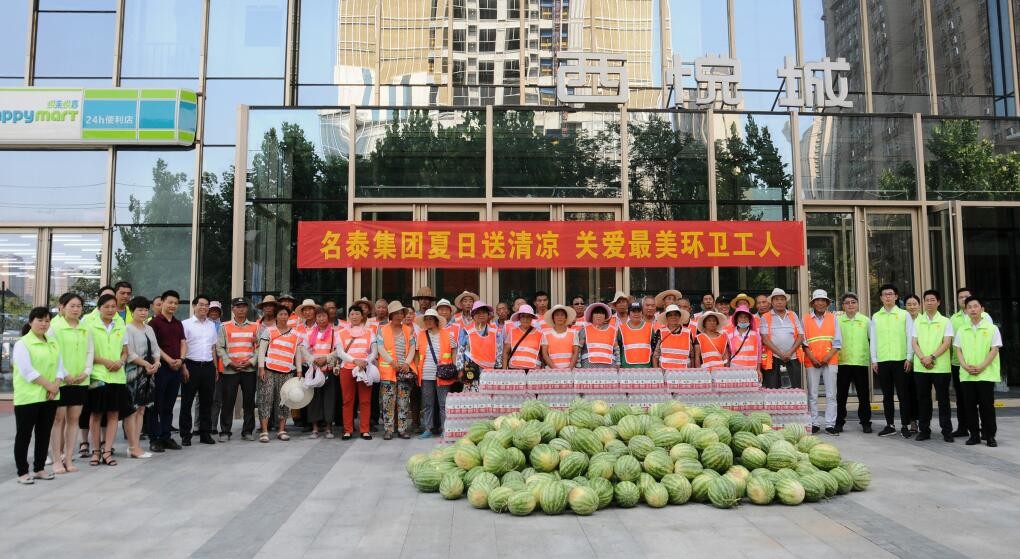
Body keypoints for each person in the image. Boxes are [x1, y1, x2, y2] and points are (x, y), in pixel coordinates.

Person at [12, 307, 62, 484]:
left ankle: (39, 468)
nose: (44, 324)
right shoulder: (22, 344)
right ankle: (22, 472)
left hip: (49, 397)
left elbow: (60, 367)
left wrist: (56, 384)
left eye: (47, 320)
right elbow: (27, 371)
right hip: (29, 397)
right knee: (24, 435)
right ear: (30, 322)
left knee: (44, 434)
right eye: (40, 320)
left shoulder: (53, 342)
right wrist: (50, 386)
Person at [86, 294, 132, 467]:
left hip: (117, 376)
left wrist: (121, 361)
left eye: (113, 306)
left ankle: (107, 450)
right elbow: (87, 352)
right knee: (96, 414)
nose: (111, 310)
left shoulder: (120, 325)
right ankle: (95, 451)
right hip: (98, 376)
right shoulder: (89, 325)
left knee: (114, 414)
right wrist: (104, 361)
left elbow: (125, 350)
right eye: (107, 307)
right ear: (99, 308)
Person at [48, 293, 92, 474]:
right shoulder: (54, 328)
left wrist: (86, 372)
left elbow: (90, 351)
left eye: (79, 306)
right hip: (60, 381)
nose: (75, 309)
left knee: (74, 420)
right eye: (72, 306)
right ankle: (56, 459)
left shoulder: (85, 328)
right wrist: (64, 374)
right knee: (58, 420)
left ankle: (68, 457)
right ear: (62, 307)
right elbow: (53, 353)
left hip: (80, 380)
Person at [954, 296, 1001, 447]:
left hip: (985, 374)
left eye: (976, 306)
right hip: (967, 374)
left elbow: (994, 349)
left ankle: (989, 435)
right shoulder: (962, 329)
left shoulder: (992, 328)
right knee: (969, 406)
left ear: (982, 309)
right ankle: (974, 435)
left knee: (987, 406)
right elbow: (958, 350)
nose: (973, 309)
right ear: (966, 311)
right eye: (969, 307)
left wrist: (981, 366)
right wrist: (965, 366)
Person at [870, 284, 914, 438]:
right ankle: (890, 425)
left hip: (901, 360)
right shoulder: (876, 316)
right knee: (886, 395)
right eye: (884, 294)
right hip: (882, 360)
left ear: (896, 297)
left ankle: (905, 425)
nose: (888, 297)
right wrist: (874, 359)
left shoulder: (904, 315)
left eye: (890, 294)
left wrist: (909, 357)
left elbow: (910, 336)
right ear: (881, 298)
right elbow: (873, 339)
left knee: (903, 395)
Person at [911, 289, 955, 442]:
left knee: (943, 400)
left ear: (939, 302)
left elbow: (947, 342)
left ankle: (947, 431)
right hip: (921, 366)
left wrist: (932, 357)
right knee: (923, 400)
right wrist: (923, 358)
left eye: (932, 300)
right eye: (927, 300)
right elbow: (914, 342)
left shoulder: (945, 321)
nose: (929, 303)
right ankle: (924, 430)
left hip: (940, 367)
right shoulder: (918, 321)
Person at [948, 287, 989, 438]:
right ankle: (963, 427)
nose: (964, 299)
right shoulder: (953, 319)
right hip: (959, 365)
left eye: (967, 296)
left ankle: (985, 430)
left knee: (983, 400)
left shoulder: (985, 317)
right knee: (962, 399)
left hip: (981, 366)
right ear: (958, 301)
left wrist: (982, 364)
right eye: (960, 297)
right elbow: (952, 342)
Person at [257, 307, 303, 442]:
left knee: (284, 400)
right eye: (280, 314)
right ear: (276, 316)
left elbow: (297, 352)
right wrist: (261, 367)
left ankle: (281, 430)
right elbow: (262, 350)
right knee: (266, 399)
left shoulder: (295, 333)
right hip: (269, 370)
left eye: (285, 314)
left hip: (287, 371)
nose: (283, 316)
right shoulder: (269, 331)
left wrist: (299, 369)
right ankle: (264, 431)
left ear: (288, 317)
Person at [148, 290, 186, 452]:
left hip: (176, 369)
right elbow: (154, 346)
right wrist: (169, 360)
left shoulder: (178, 323)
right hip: (161, 368)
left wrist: (181, 360)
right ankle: (154, 438)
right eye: (170, 302)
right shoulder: (154, 324)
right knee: (155, 405)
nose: (173, 306)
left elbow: (183, 342)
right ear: (162, 302)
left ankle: (166, 436)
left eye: (175, 303)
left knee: (169, 404)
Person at [123, 296, 160, 459]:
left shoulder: (149, 329)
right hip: (133, 374)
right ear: (132, 312)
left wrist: (157, 363)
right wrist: (145, 364)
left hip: (149, 373)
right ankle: (132, 446)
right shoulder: (127, 329)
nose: (143, 312)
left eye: (146, 309)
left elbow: (156, 349)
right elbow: (129, 353)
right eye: (139, 310)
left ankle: (136, 445)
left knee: (142, 409)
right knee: (132, 410)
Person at [218, 298, 258, 442]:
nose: (241, 309)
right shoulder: (225, 326)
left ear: (247, 309)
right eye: (238, 307)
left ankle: (247, 431)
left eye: (243, 307)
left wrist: (251, 362)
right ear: (232, 309)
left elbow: (260, 347)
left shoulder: (255, 327)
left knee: (249, 402)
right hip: (231, 370)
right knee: (228, 401)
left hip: (249, 370)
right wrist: (230, 362)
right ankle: (225, 431)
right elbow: (220, 347)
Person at [376, 301, 417, 440]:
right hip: (388, 371)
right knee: (388, 401)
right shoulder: (382, 329)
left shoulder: (408, 329)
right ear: (391, 315)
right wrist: (391, 362)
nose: (400, 315)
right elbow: (380, 348)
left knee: (404, 401)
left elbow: (412, 347)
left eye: (401, 313)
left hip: (404, 371)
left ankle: (402, 429)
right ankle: (388, 429)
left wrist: (406, 363)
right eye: (397, 313)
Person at [180, 295, 217, 446]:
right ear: (194, 306)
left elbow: (213, 347)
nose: (204, 308)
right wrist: (183, 367)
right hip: (190, 366)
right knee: (187, 402)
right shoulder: (185, 324)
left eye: (206, 305)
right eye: (201, 304)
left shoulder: (211, 325)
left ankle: (205, 433)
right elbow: (182, 347)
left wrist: (215, 368)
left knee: (207, 402)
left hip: (208, 366)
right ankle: (186, 435)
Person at [803, 290, 841, 435]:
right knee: (812, 394)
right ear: (813, 303)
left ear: (827, 303)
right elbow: (804, 342)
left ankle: (830, 424)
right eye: (817, 300)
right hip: (811, 361)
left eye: (823, 300)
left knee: (831, 394)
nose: (820, 303)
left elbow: (837, 342)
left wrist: (826, 358)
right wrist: (813, 358)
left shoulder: (833, 318)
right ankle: (814, 423)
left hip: (830, 361)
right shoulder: (805, 319)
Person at [336, 304, 377, 440]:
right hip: (347, 369)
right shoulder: (341, 332)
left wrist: (366, 361)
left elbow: (374, 351)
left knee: (365, 400)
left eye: (357, 314)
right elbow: (340, 352)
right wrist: (355, 361)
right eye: (352, 314)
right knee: (348, 401)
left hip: (365, 369)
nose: (354, 316)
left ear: (362, 316)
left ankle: (365, 430)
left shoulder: (370, 332)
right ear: (349, 316)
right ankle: (348, 429)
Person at [415, 309, 457, 439]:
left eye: (431, 319)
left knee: (443, 403)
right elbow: (417, 355)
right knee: (427, 403)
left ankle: (446, 429)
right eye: (426, 319)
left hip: (443, 374)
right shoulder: (421, 335)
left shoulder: (447, 334)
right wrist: (417, 371)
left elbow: (454, 350)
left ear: (436, 321)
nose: (428, 321)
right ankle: (428, 428)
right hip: (426, 374)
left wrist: (453, 366)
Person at [835, 293, 872, 434]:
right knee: (841, 395)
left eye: (853, 302)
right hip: (842, 362)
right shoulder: (837, 321)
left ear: (857, 304)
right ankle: (839, 422)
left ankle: (866, 422)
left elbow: (872, 340)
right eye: (847, 303)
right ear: (843, 306)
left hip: (860, 362)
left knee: (863, 395)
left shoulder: (865, 321)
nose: (850, 305)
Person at [760, 288, 805, 389]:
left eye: (782, 299)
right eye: (776, 299)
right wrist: (780, 354)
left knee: (794, 388)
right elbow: (765, 339)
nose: (779, 302)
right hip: (773, 357)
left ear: (786, 301)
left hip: (792, 357)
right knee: (773, 389)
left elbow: (801, 336)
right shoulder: (766, 317)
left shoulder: (793, 315)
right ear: (771, 302)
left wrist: (789, 352)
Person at [305, 306, 338, 439]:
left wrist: (326, 359)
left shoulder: (334, 333)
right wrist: (314, 360)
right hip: (314, 369)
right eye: (319, 316)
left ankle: (329, 428)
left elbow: (338, 350)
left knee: (329, 399)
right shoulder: (309, 333)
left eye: (324, 316)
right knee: (314, 400)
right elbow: (304, 350)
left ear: (328, 317)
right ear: (315, 318)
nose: (321, 318)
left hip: (328, 370)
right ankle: (315, 428)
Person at [456, 301, 503, 390]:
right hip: (471, 369)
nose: (481, 315)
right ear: (473, 315)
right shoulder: (466, 331)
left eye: (484, 312)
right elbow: (460, 351)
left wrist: (498, 368)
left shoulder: (494, 331)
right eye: (478, 312)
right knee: (472, 399)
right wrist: (460, 370)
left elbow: (499, 351)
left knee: (487, 398)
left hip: (489, 371)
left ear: (488, 315)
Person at [617, 302, 658, 368]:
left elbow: (654, 348)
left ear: (642, 313)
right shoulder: (621, 328)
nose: (636, 314)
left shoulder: (650, 328)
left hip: (646, 367)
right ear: (629, 314)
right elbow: (617, 348)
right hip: (626, 368)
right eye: (633, 311)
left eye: (638, 311)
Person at [503, 304, 543, 370]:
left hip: (533, 371)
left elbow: (543, 355)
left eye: (528, 317)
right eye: (523, 316)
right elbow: (505, 353)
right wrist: (504, 371)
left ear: (532, 318)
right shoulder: (512, 332)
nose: (525, 319)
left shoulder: (540, 333)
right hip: (515, 370)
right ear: (519, 318)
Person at [654, 305, 694, 369]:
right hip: (664, 371)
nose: (673, 317)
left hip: (684, 372)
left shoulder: (688, 332)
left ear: (679, 316)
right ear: (666, 318)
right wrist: (656, 372)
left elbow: (692, 356)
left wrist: (692, 371)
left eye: (676, 315)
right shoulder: (660, 332)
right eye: (670, 315)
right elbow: (655, 356)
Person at [579, 303, 618, 368]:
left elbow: (616, 349)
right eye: (596, 313)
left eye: (602, 313)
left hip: (609, 367)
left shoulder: (613, 330)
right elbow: (578, 349)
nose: (599, 315)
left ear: (605, 316)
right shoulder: (584, 330)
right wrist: (578, 364)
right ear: (591, 315)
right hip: (588, 366)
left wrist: (618, 362)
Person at [542, 305, 579, 369]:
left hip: (570, 370)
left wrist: (569, 368)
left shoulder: (573, 333)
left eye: (562, 315)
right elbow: (545, 354)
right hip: (552, 371)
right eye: (557, 315)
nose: (560, 317)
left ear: (565, 318)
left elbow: (576, 352)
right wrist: (555, 369)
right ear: (553, 318)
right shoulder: (546, 334)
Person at [727, 304, 761, 371]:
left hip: (752, 370)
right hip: (734, 371)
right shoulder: (729, 335)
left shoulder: (756, 335)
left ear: (749, 319)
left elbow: (759, 353)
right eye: (740, 317)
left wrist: (759, 370)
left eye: (746, 317)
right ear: (736, 319)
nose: (743, 319)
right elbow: (728, 355)